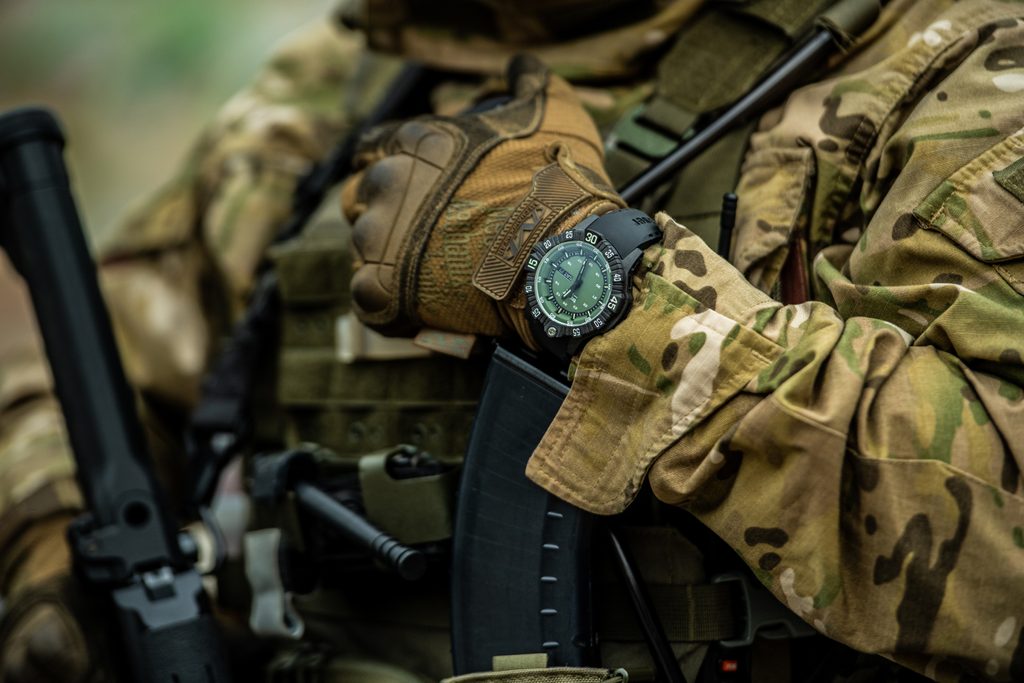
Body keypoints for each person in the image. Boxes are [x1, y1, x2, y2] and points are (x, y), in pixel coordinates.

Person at [2, 0, 1023, 681]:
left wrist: (574, 272)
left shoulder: (958, 75)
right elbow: (83, 374)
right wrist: (48, 527)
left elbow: (1000, 561)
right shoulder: (337, 90)